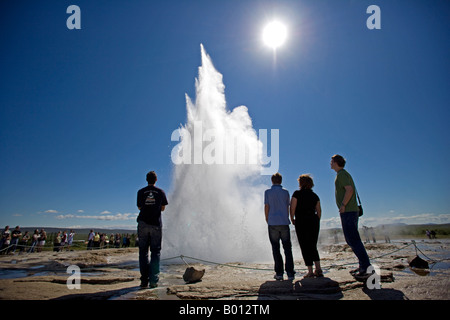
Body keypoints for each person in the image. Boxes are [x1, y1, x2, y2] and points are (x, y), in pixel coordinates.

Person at [331, 154, 371, 279]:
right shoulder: (343, 174)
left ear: (337, 162)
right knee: (352, 239)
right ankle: (362, 266)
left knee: (353, 239)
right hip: (350, 211)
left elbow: (349, 190)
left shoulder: (342, 174)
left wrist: (343, 205)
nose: (330, 163)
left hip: (348, 211)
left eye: (331, 161)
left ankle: (366, 268)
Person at [137, 170, 168, 288]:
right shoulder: (160, 192)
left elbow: (140, 207)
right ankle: (154, 280)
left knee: (143, 252)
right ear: (156, 180)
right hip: (155, 224)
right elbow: (163, 208)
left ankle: (144, 281)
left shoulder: (141, 192)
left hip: (143, 223)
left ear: (146, 179)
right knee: (155, 252)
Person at [290, 174, 323, 278]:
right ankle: (318, 268)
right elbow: (319, 211)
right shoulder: (315, 195)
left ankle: (310, 271)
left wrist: (292, 219)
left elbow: (292, 208)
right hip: (313, 221)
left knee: (304, 245)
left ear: (301, 183)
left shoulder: (297, 194)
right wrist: (317, 219)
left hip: (301, 221)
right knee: (313, 244)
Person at [264, 172, 295, 281]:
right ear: (281, 181)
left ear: (272, 181)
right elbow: (287, 207)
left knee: (275, 249)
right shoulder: (286, 192)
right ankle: (290, 273)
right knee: (287, 248)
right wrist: (287, 218)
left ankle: (279, 273)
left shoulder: (267, 192)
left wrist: (267, 218)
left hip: (273, 222)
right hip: (284, 222)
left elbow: (267, 206)